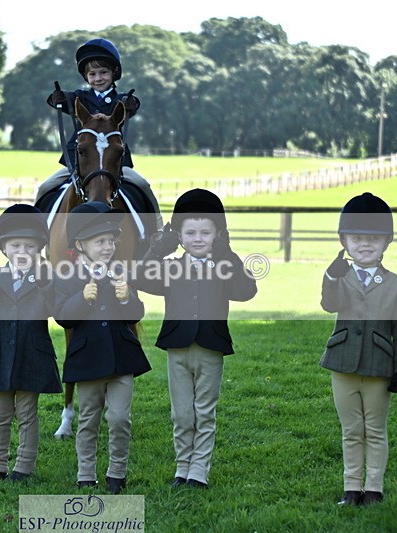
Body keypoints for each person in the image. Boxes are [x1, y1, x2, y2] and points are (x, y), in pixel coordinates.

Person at [132, 188, 257, 489]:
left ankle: (198, 471)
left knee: (204, 411)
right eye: (190, 232)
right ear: (179, 236)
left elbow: (246, 291)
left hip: (210, 349)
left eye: (205, 232)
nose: (198, 238)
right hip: (178, 349)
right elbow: (140, 277)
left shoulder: (225, 267)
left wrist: (228, 254)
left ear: (217, 234)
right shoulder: (171, 267)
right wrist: (158, 249)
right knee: (182, 413)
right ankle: (182, 467)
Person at [320, 192, 397, 506]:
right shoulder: (340, 277)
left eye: (373, 238)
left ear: (386, 242)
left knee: (374, 429)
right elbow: (329, 304)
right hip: (343, 364)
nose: (365, 244)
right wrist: (331, 276)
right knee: (350, 430)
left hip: (378, 368)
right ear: (344, 241)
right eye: (356, 238)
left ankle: (373, 489)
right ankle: (350, 489)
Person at [54, 201, 151, 494]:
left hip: (122, 359)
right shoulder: (68, 276)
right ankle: (86, 474)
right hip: (88, 360)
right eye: (100, 242)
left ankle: (117, 474)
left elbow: (136, 314)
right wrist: (82, 298)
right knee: (88, 420)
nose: (108, 247)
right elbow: (62, 316)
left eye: (111, 240)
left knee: (120, 418)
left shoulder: (121, 271)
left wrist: (127, 299)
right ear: (80, 244)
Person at [0, 204, 62, 483]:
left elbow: (55, 308)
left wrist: (45, 282)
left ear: (40, 250)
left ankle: (23, 467)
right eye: (16, 245)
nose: (22, 252)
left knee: (28, 413)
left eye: (30, 247)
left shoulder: (46, 276)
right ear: (4, 249)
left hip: (33, 353)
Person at [39, 38, 162, 232]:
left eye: (103, 72)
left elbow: (133, 104)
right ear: (86, 77)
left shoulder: (120, 100)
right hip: (80, 160)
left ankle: (157, 232)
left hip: (114, 162)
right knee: (45, 187)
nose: (98, 78)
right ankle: (40, 236)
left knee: (142, 185)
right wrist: (57, 98)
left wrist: (132, 104)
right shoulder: (79, 97)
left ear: (114, 73)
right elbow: (62, 100)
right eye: (92, 74)